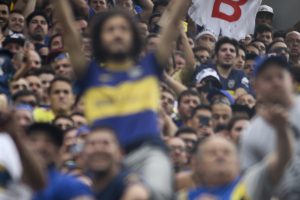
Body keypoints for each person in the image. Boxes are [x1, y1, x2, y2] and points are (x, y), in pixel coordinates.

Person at [54, 0, 192, 198]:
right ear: (99, 38)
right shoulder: (89, 74)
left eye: (123, 29)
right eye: (110, 30)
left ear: (134, 37)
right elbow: (68, 30)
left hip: (148, 154)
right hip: (106, 160)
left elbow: (172, 22)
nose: (117, 34)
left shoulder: (149, 67)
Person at [178, 123, 293, 200]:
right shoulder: (183, 196)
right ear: (196, 164)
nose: (220, 156)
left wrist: (282, 129)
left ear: (238, 162)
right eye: (212, 153)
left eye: (227, 152)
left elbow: (281, 159)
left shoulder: (251, 185)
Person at [240, 55, 300, 199]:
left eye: (280, 76)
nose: (276, 82)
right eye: (268, 78)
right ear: (255, 86)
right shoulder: (251, 133)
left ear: (291, 80)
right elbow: (250, 186)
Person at [26, 123, 93, 200]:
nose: (40, 146)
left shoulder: (70, 186)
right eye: (33, 140)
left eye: (48, 141)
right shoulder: (13, 181)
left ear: (58, 151)